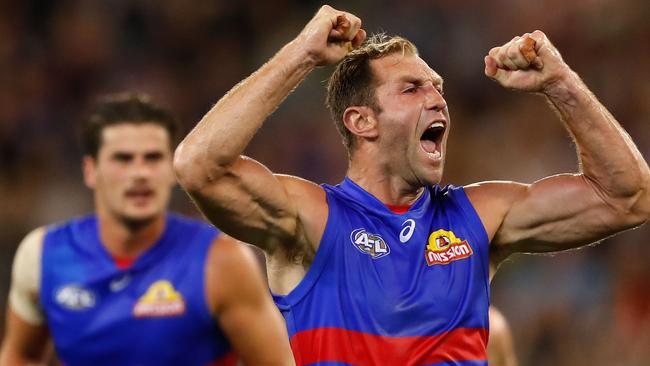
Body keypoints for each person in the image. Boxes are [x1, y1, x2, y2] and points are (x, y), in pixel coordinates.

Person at [173, 5, 650, 365]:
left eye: (438, 87)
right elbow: (199, 166)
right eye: (412, 88)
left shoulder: (481, 216)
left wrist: (561, 82)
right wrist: (301, 55)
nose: (438, 100)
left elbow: (627, 197)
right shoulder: (312, 218)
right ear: (361, 121)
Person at [0, 93, 294, 366]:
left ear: (170, 171)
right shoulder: (42, 256)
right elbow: (20, 354)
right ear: (91, 171)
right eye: (123, 159)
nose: (140, 173)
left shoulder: (221, 261)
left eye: (153, 159)